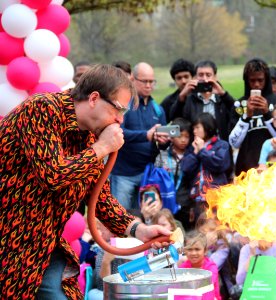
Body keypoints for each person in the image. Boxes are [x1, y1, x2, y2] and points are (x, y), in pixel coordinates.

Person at [0, 64, 171, 299]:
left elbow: (99, 197)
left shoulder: (90, 135)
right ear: (93, 98)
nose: (120, 121)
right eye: (118, 110)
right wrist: (101, 148)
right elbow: (53, 175)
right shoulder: (41, 109)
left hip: (43, 247)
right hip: (9, 243)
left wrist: (138, 229)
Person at [110, 62, 169, 211]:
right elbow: (118, 131)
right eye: (144, 81)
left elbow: (162, 144)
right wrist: (146, 135)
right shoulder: (123, 104)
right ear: (132, 79)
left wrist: (163, 141)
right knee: (119, 217)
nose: (148, 85)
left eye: (152, 81)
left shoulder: (158, 109)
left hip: (147, 174)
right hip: (123, 174)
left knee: (145, 218)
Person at [229, 58, 276, 176]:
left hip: (273, 167)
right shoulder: (239, 104)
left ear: (267, 80)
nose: (256, 84)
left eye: (260, 80)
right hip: (246, 169)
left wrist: (267, 113)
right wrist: (246, 116)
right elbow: (234, 143)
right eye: (252, 80)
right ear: (246, 81)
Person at [181, 113, 231, 222]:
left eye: (197, 127)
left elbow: (220, 164)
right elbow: (185, 169)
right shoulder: (192, 147)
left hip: (217, 198)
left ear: (208, 127)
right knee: (200, 232)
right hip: (198, 200)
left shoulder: (222, 145)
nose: (194, 131)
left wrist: (202, 151)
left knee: (219, 231)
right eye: (193, 128)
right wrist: (195, 152)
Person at [169, 60, 235, 141]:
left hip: (220, 148)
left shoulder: (223, 99)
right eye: (200, 75)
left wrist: (223, 94)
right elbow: (174, 118)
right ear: (195, 77)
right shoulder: (190, 100)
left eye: (208, 75)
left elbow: (239, 112)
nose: (205, 79)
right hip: (195, 148)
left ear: (215, 77)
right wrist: (182, 96)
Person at [154, 117, 195, 231]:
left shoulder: (192, 156)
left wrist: (192, 206)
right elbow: (156, 179)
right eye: (180, 136)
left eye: (187, 137)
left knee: (184, 233)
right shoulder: (163, 155)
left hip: (185, 204)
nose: (183, 140)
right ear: (171, 137)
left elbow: (193, 182)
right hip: (166, 203)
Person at [179, 231, 222, 300]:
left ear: (205, 251)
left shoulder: (211, 268)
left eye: (197, 249)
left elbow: (205, 287)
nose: (193, 253)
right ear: (185, 251)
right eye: (190, 249)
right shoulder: (183, 268)